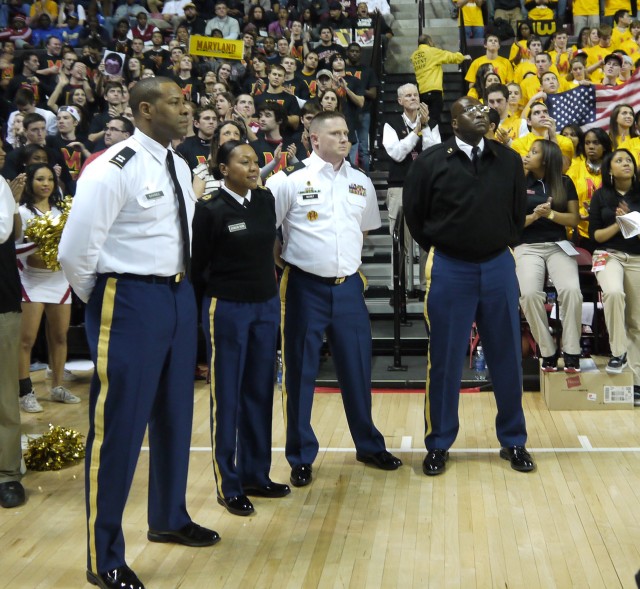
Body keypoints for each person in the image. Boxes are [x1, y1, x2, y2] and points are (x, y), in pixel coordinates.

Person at [58, 77, 220, 589]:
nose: (187, 107)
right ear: (145, 110)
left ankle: (168, 517)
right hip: (128, 300)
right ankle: (102, 554)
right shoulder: (112, 167)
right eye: (175, 101)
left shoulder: (177, 162)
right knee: (119, 431)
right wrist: (107, 299)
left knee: (175, 416)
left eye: (186, 98)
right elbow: (74, 251)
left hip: (176, 296)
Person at [265, 111, 402, 488]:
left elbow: (363, 232)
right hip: (304, 287)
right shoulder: (287, 181)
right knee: (300, 373)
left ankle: (369, 445)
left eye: (347, 133)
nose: (345, 139)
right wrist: (286, 260)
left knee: (358, 369)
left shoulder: (360, 182)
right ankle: (301, 455)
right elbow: (267, 235)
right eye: (336, 133)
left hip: (348, 288)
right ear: (314, 138)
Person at [403, 96, 535, 476]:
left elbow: (516, 214)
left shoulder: (508, 160)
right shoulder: (430, 161)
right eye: (470, 110)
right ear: (453, 121)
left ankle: (514, 440)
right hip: (450, 267)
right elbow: (416, 214)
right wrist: (445, 243)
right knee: (444, 360)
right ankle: (439, 443)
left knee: (507, 356)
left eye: (483, 109)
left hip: (497, 266)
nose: (481, 114)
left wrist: (500, 241)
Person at [192, 141, 289, 517]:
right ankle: (227, 482)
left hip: (265, 304)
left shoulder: (264, 201)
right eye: (244, 162)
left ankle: (255, 474)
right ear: (223, 168)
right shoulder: (210, 210)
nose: (253, 167)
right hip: (226, 307)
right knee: (227, 395)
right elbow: (198, 266)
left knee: (260, 391)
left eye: (255, 161)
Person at [15, 163, 79, 413]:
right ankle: (26, 391)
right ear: (30, 182)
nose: (46, 184)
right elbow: (15, 246)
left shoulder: (62, 211)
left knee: (60, 336)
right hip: (31, 280)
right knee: (26, 340)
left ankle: (58, 386)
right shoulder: (22, 211)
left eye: (50, 179)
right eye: (40, 179)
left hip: (59, 280)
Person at [517, 139, 582, 372]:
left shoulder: (564, 182)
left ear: (545, 160)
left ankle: (572, 350)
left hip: (558, 244)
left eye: (533, 152)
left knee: (571, 291)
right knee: (530, 295)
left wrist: (551, 214)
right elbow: (512, 224)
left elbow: (574, 219)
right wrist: (535, 216)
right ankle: (547, 350)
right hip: (526, 245)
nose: (527, 154)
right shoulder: (519, 181)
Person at [588, 149, 640, 399]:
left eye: (629, 160)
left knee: (637, 322)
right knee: (613, 292)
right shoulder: (601, 195)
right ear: (610, 170)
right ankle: (618, 353)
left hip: (637, 257)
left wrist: (630, 221)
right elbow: (596, 236)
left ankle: (637, 380)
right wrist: (618, 224)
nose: (626, 163)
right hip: (607, 254)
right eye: (619, 161)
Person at [0, 140, 26, 508]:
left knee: (4, 392)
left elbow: (7, 233)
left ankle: (6, 474)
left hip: (1, 300)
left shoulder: (1, 187)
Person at [410, 34, 470, 124]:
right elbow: (449, 56)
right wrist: (462, 57)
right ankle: (433, 137)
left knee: (424, 119)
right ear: (429, 41)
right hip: (434, 91)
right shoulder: (432, 51)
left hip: (422, 92)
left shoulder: (414, 56)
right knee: (434, 119)